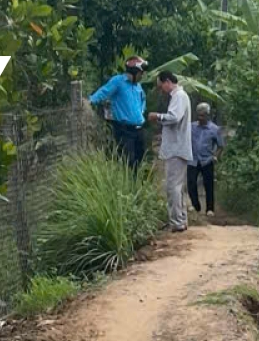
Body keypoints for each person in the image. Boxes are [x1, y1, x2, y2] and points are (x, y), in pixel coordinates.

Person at [148, 71, 192, 232]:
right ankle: (181, 219)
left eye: (161, 86)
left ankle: (177, 222)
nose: (162, 90)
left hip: (176, 148)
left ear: (167, 82)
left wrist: (157, 116)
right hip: (178, 147)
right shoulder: (180, 96)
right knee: (178, 186)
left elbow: (174, 117)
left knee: (173, 186)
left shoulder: (179, 96)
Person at [88, 57, 147, 170]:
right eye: (141, 73)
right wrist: (90, 101)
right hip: (125, 129)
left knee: (139, 160)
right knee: (128, 160)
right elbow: (104, 92)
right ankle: (127, 185)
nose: (142, 75)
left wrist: (141, 111)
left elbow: (143, 99)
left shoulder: (138, 86)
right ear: (134, 72)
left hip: (139, 129)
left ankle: (136, 185)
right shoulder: (118, 81)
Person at [188, 103, 225, 217]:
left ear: (207, 115)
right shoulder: (191, 127)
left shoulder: (214, 129)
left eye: (203, 115)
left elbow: (220, 145)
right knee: (191, 183)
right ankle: (195, 205)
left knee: (208, 185)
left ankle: (210, 208)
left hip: (207, 160)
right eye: (199, 115)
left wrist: (215, 156)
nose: (200, 118)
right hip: (193, 159)